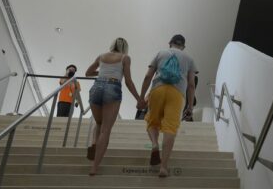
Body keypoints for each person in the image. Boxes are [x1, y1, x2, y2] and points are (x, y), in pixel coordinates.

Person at [137, 34, 197, 177]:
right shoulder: (189, 59)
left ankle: (154, 144)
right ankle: (163, 167)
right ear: (183, 46)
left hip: (157, 90)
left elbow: (147, 76)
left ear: (170, 43)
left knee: (152, 121)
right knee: (170, 128)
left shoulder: (160, 53)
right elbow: (191, 85)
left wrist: (141, 98)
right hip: (177, 94)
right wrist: (190, 107)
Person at [84, 37, 142, 176]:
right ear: (125, 48)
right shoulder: (125, 58)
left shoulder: (101, 56)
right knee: (106, 130)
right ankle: (94, 167)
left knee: (99, 123)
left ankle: (94, 142)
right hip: (113, 86)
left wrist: (102, 72)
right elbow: (128, 81)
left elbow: (88, 73)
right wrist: (139, 99)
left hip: (97, 86)